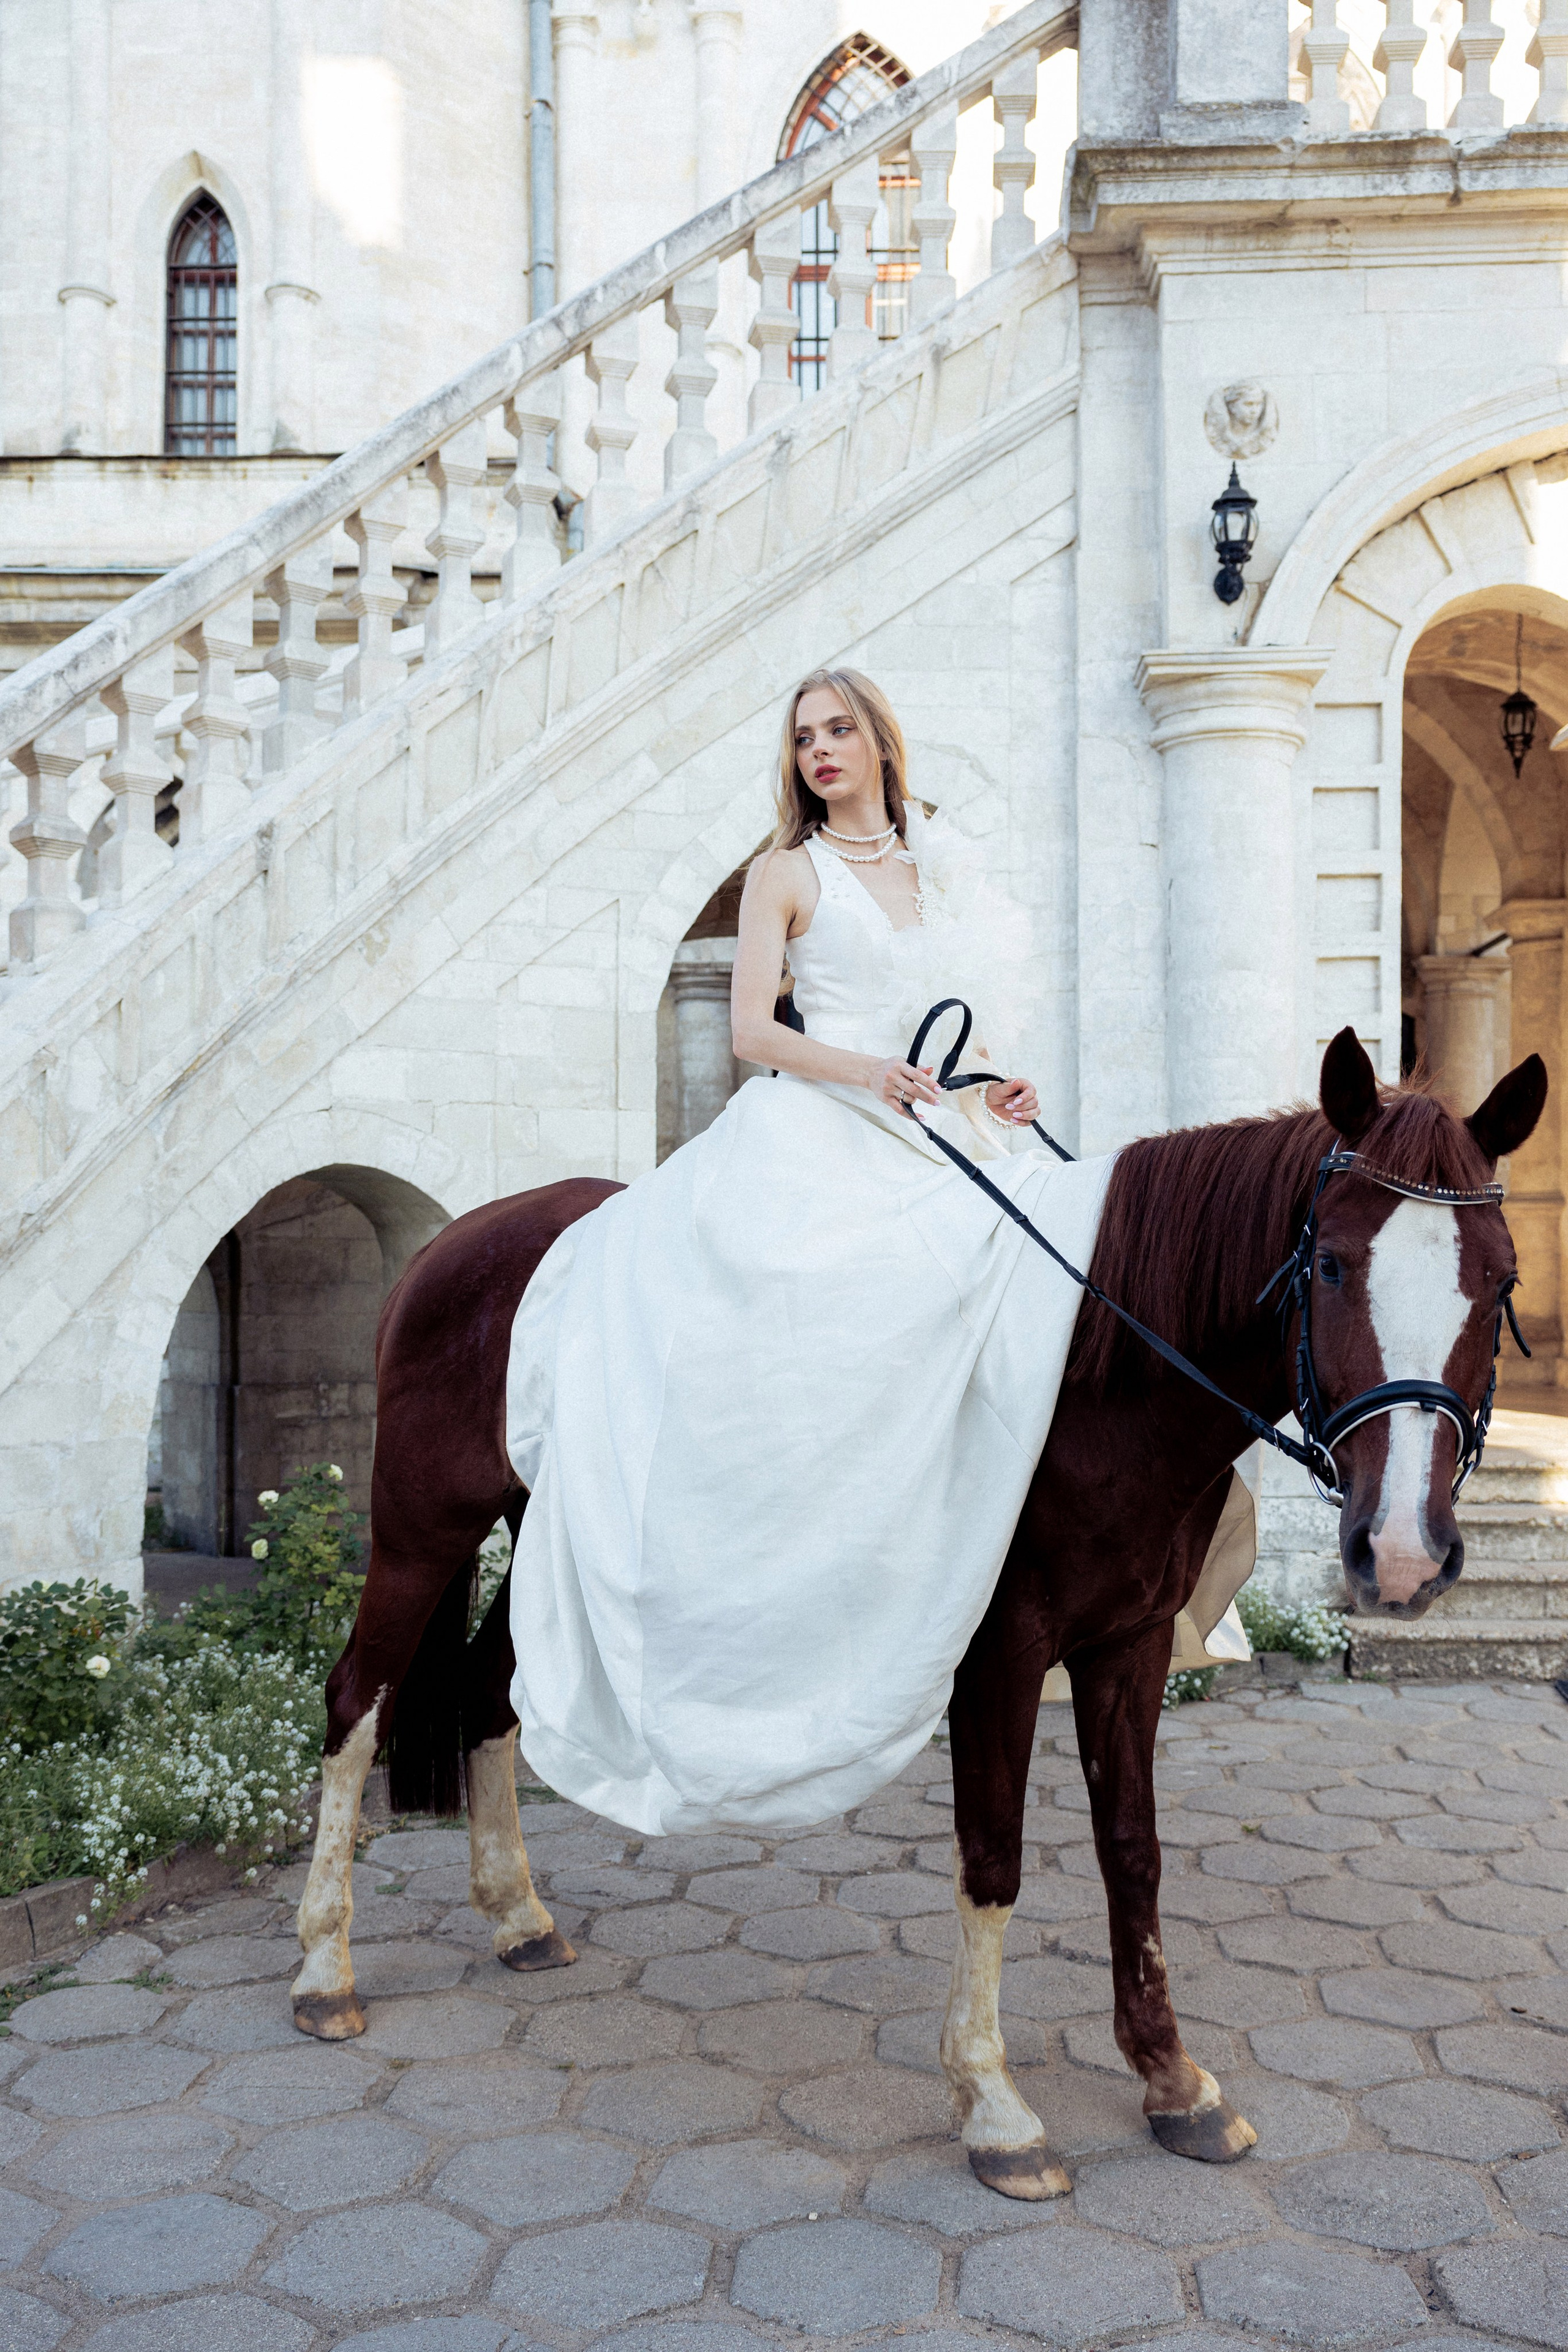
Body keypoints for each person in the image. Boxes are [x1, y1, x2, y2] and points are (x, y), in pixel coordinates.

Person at [505, 668, 1114, 1835]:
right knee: (832, 1298)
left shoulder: (945, 864)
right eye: (803, 738)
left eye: (840, 731)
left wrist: (1008, 1079)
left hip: (957, 1121)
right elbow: (748, 1033)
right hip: (828, 1115)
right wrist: (868, 1072)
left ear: (883, 740)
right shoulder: (788, 872)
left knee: (1058, 1290)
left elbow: (972, 1014)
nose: (821, 751)